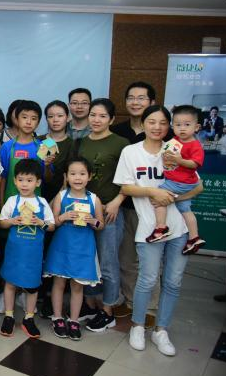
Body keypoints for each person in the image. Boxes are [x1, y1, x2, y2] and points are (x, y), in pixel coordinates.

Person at [114, 105, 202, 356]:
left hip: (179, 228)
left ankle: (161, 330)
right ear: (143, 123)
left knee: (173, 282)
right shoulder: (131, 152)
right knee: (148, 279)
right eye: (152, 122)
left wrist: (172, 197)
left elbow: (198, 186)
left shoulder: (176, 149)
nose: (157, 127)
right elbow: (126, 187)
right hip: (150, 228)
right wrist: (153, 191)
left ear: (169, 126)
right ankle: (138, 325)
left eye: (163, 123)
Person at [111, 81, 164, 325]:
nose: (135, 102)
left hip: (155, 208)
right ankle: (131, 300)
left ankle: (150, 307)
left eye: (141, 98)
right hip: (127, 207)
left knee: (151, 260)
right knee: (126, 258)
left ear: (152, 102)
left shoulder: (163, 135)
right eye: (131, 98)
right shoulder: (118, 131)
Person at [75, 99, 130, 332]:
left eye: (102, 116)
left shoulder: (121, 144)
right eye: (93, 115)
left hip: (109, 211)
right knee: (88, 260)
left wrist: (118, 201)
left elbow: (130, 178)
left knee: (108, 263)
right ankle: (90, 305)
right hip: (84, 210)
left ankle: (108, 311)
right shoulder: (82, 142)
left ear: (112, 119)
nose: (96, 120)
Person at [44, 158, 104, 341]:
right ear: (66, 177)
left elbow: (101, 225)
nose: (77, 178)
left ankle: (74, 320)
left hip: (83, 248)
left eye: (82, 174)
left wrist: (93, 221)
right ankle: (57, 318)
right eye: (73, 174)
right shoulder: (61, 196)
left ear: (89, 176)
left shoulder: (94, 199)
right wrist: (63, 217)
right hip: (62, 246)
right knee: (59, 283)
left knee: (77, 286)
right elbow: (53, 222)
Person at [0, 159, 55, 339]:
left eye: (29, 180)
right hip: (14, 252)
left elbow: (52, 226)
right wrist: (12, 221)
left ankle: (29, 318)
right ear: (15, 181)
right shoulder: (12, 201)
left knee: (32, 286)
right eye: (21, 180)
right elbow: (2, 222)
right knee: (10, 283)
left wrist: (41, 223)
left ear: (38, 182)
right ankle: (8, 316)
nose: (24, 184)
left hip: (33, 254)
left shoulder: (42, 203)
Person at [150, 105, 205, 254]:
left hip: (181, 183)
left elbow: (195, 164)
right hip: (182, 182)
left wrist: (179, 160)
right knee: (185, 209)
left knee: (158, 196)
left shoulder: (195, 145)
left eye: (187, 125)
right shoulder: (175, 140)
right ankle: (194, 238)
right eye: (178, 125)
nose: (182, 128)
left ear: (196, 127)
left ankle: (161, 228)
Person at [0, 100, 50, 201]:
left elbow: (47, 179)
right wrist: (2, 203)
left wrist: (48, 166)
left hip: (35, 204)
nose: (28, 122)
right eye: (24, 117)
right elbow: (3, 178)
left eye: (33, 118)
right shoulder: (7, 147)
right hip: (11, 203)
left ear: (38, 123)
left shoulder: (43, 147)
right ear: (17, 119)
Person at [39, 101, 74, 204]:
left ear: (67, 117)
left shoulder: (73, 144)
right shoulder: (37, 141)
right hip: (35, 194)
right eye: (50, 116)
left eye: (60, 116)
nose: (55, 120)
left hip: (62, 197)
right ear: (46, 119)